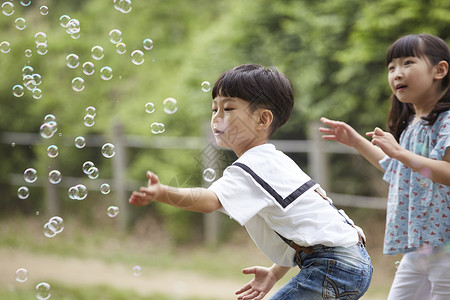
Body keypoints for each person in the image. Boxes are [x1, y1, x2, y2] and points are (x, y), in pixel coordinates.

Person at [129, 64, 373, 299]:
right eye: (215, 109)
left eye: (229, 109)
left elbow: (209, 201)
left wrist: (162, 192)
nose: (217, 117)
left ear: (263, 120)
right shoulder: (275, 160)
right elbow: (304, 228)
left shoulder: (249, 167)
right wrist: (274, 273)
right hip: (352, 261)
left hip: (332, 267)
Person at [320, 34, 450, 300]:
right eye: (391, 67)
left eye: (408, 63)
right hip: (418, 248)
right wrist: (356, 141)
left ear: (440, 70)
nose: (397, 74)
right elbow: (398, 168)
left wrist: (401, 153)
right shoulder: (413, 125)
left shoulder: (447, 121)